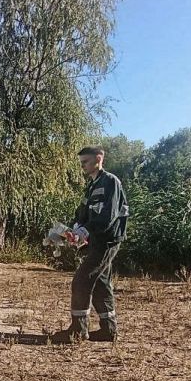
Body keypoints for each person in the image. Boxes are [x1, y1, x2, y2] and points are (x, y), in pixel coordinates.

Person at [55, 146, 129, 343]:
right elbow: (83, 212)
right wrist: (75, 229)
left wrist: (85, 231)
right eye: (81, 163)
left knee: (82, 279)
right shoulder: (92, 185)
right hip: (95, 240)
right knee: (101, 284)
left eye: (85, 162)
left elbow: (108, 216)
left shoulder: (110, 181)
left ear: (98, 158)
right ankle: (109, 330)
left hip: (107, 240)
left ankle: (78, 330)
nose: (83, 167)